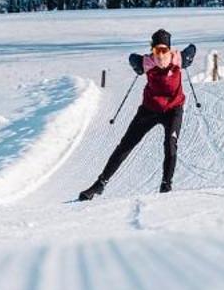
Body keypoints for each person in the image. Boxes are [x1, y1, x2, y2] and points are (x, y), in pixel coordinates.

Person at [78, 30, 193, 199]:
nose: (160, 55)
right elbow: (132, 57)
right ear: (152, 50)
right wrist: (136, 64)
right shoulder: (147, 62)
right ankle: (99, 184)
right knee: (126, 145)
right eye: (156, 51)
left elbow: (192, 49)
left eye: (164, 50)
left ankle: (166, 186)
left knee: (170, 144)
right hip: (150, 109)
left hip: (173, 110)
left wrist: (189, 57)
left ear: (169, 50)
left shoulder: (178, 59)